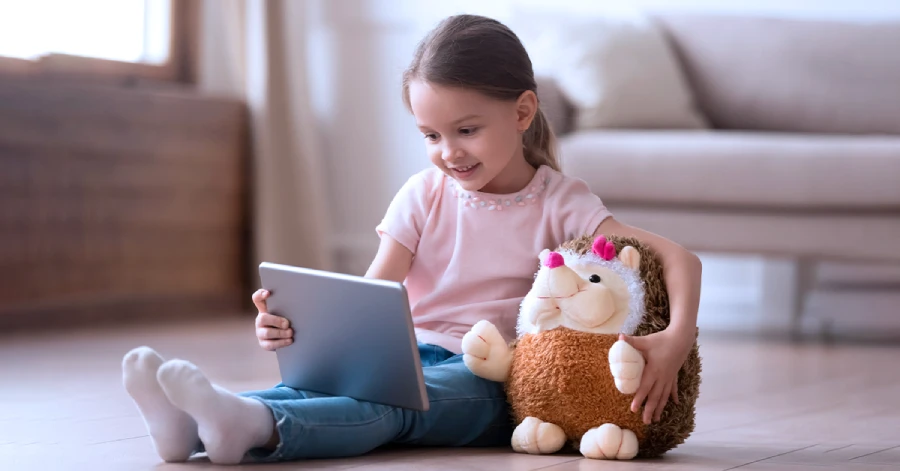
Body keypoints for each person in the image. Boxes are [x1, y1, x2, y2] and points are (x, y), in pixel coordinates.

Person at [121, 14, 702, 465]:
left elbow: (681, 257)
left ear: (522, 111)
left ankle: (252, 428)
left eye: (466, 130)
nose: (448, 152)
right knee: (336, 390)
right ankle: (196, 425)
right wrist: (296, 326)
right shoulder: (423, 194)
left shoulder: (560, 200)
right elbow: (372, 295)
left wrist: (675, 339)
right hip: (403, 357)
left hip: (493, 379)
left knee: (390, 411)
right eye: (430, 134)